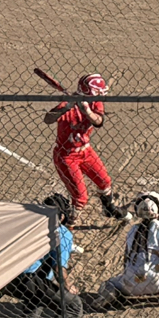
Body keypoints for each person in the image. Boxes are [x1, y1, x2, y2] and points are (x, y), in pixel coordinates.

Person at [46, 73, 127, 225]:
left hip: (86, 151)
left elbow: (99, 122)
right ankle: (67, 229)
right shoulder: (67, 105)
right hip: (66, 156)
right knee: (80, 198)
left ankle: (109, 209)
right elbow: (48, 119)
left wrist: (87, 111)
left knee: (104, 182)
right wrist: (66, 107)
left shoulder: (94, 103)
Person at [95, 191, 159, 307]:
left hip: (131, 283)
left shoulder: (132, 230)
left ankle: (110, 294)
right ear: (158, 210)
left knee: (109, 283)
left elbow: (126, 259)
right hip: (158, 281)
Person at [2, 193, 83, 318]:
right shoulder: (62, 232)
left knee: (37, 300)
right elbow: (59, 269)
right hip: (28, 279)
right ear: (62, 216)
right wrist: (68, 286)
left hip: (4, 278)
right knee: (74, 307)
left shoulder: (27, 224)